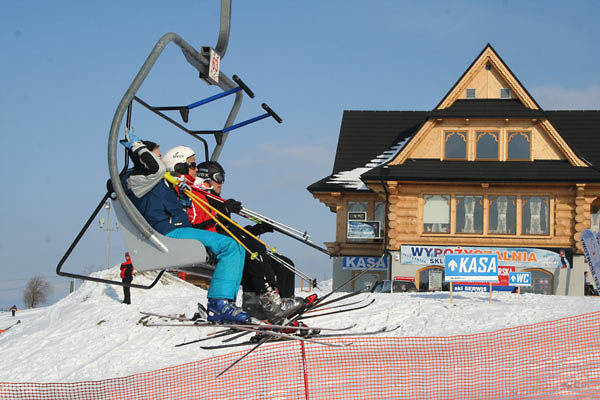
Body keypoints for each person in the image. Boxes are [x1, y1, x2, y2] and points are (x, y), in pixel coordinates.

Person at [120, 133, 250, 324]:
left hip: (177, 229)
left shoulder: (153, 180)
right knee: (229, 246)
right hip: (166, 233)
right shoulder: (137, 178)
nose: (161, 160)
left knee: (237, 247)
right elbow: (156, 168)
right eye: (157, 155)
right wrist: (137, 146)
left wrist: (182, 197)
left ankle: (226, 303)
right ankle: (218, 304)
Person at [195, 160, 309, 321]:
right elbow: (205, 224)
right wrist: (224, 210)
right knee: (255, 251)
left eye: (223, 177)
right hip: (218, 247)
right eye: (218, 178)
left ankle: (285, 305)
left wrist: (256, 230)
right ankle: (265, 304)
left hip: (232, 241)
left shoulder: (218, 201)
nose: (222, 182)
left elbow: (232, 230)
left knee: (285, 264)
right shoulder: (201, 199)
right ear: (205, 178)